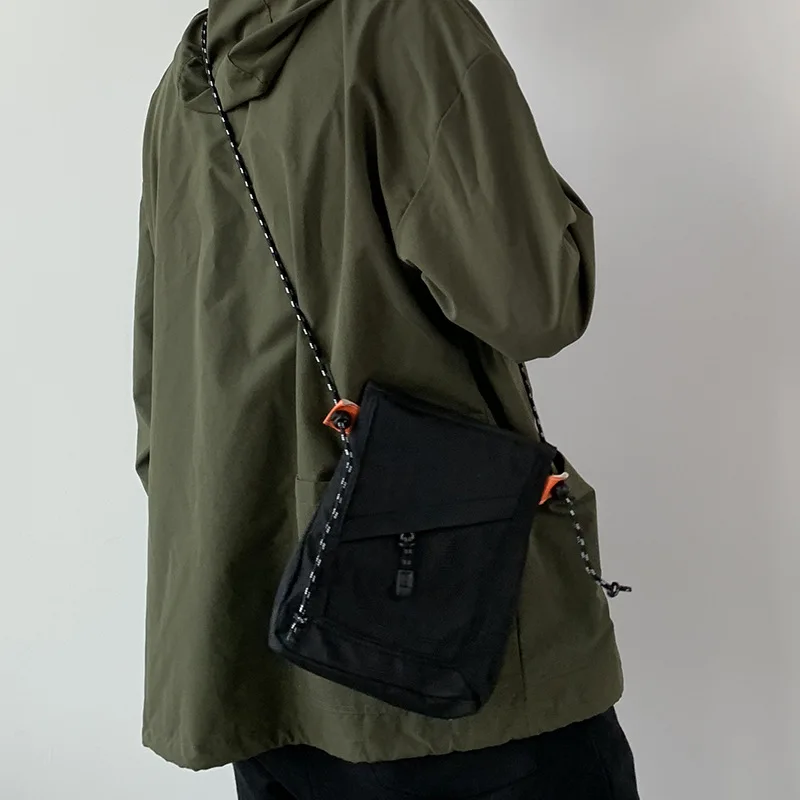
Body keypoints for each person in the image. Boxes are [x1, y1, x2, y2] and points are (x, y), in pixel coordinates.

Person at [133, 1, 639, 797]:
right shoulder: (405, 22)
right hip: (449, 655)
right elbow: (537, 300)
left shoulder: (187, 81)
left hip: (258, 642)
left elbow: (158, 405)